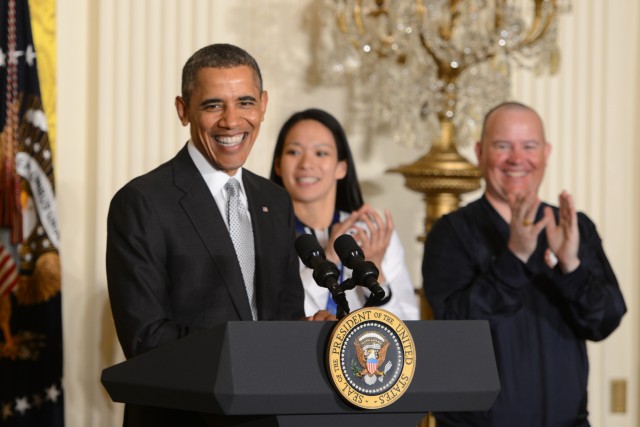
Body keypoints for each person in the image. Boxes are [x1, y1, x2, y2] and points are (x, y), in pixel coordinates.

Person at [106, 44, 332, 427]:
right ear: (183, 110)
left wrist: (304, 333)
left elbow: (281, 316)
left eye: (244, 102)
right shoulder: (142, 202)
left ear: (262, 105)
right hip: (182, 419)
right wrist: (255, 347)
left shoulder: (274, 200)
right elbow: (146, 339)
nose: (231, 121)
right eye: (213, 105)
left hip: (268, 416)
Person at [422, 101, 627, 426]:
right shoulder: (452, 231)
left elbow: (604, 322)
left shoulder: (575, 227)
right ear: (480, 152)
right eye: (502, 146)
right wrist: (514, 257)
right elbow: (454, 329)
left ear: (546, 153)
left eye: (528, 146)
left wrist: (570, 266)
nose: (517, 158)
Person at [269, 108, 419, 320]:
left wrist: (376, 273)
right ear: (278, 165)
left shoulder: (370, 233)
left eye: (321, 153)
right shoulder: (263, 232)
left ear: (341, 167)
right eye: (294, 152)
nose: (306, 164)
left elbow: (408, 326)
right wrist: (328, 256)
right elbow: (268, 317)